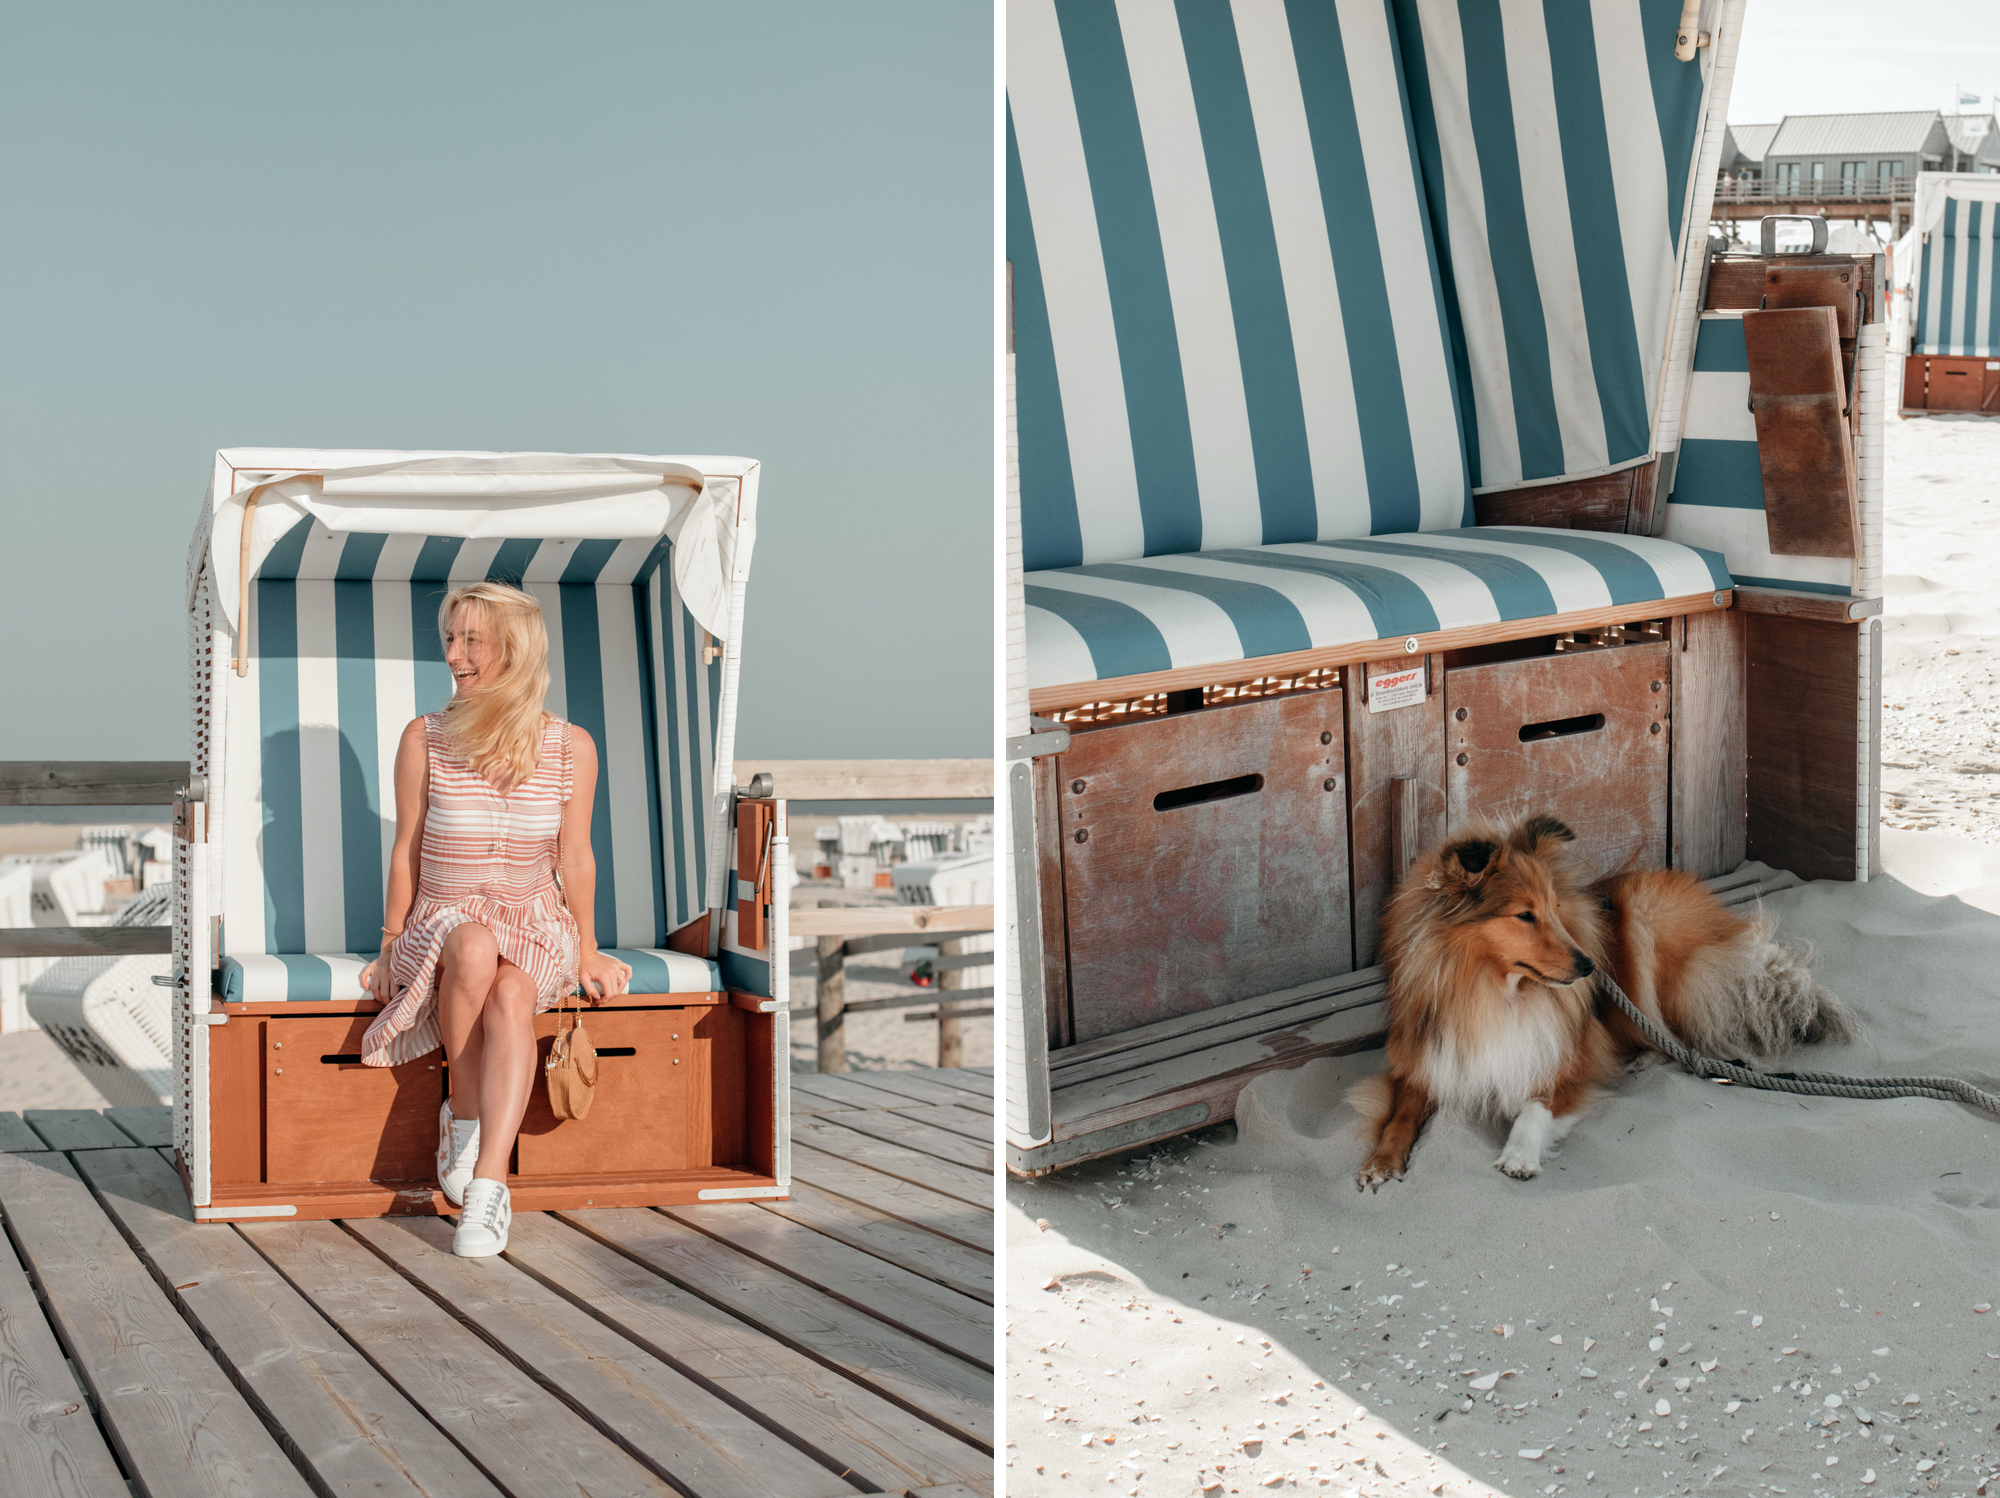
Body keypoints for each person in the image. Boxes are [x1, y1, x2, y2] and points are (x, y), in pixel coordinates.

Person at [356, 581, 632, 1257]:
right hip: (446, 916)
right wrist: (392, 941)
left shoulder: (571, 747)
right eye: (450, 638)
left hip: (536, 920)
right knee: (474, 949)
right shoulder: (426, 738)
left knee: (512, 991)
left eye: (471, 639)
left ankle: (487, 1183)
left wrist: (590, 948)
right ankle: (467, 1115)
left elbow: (576, 857)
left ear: (514, 647)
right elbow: (407, 847)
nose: (454, 653)